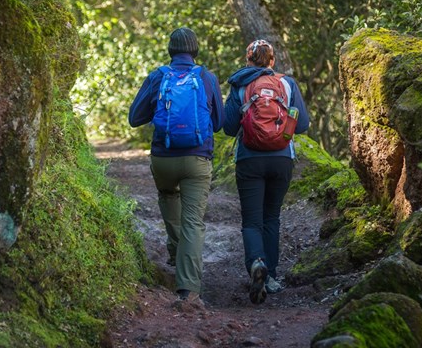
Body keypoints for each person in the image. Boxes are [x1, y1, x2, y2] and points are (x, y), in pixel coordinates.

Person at [128, 27, 225, 305]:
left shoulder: (158, 76)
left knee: (169, 195)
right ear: (195, 50)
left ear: (170, 50)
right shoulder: (207, 77)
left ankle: (175, 251)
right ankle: (188, 290)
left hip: (163, 158)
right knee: (193, 222)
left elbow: (135, 118)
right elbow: (217, 123)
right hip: (197, 160)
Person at [223, 39, 309, 304]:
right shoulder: (287, 84)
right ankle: (270, 276)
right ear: (272, 61)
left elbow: (226, 127)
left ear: (248, 60)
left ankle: (256, 263)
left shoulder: (239, 84)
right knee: (272, 217)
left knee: (252, 220)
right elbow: (303, 125)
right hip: (282, 158)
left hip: (249, 159)